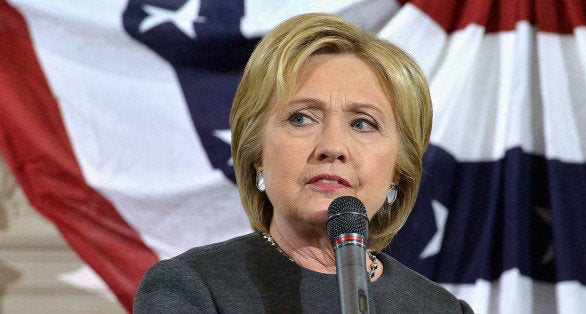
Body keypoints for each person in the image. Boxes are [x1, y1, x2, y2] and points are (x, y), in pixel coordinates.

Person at [134, 13, 474, 313]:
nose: (333, 147)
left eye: (362, 124)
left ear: (399, 169)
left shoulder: (440, 308)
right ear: (256, 156)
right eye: (301, 119)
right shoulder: (193, 289)